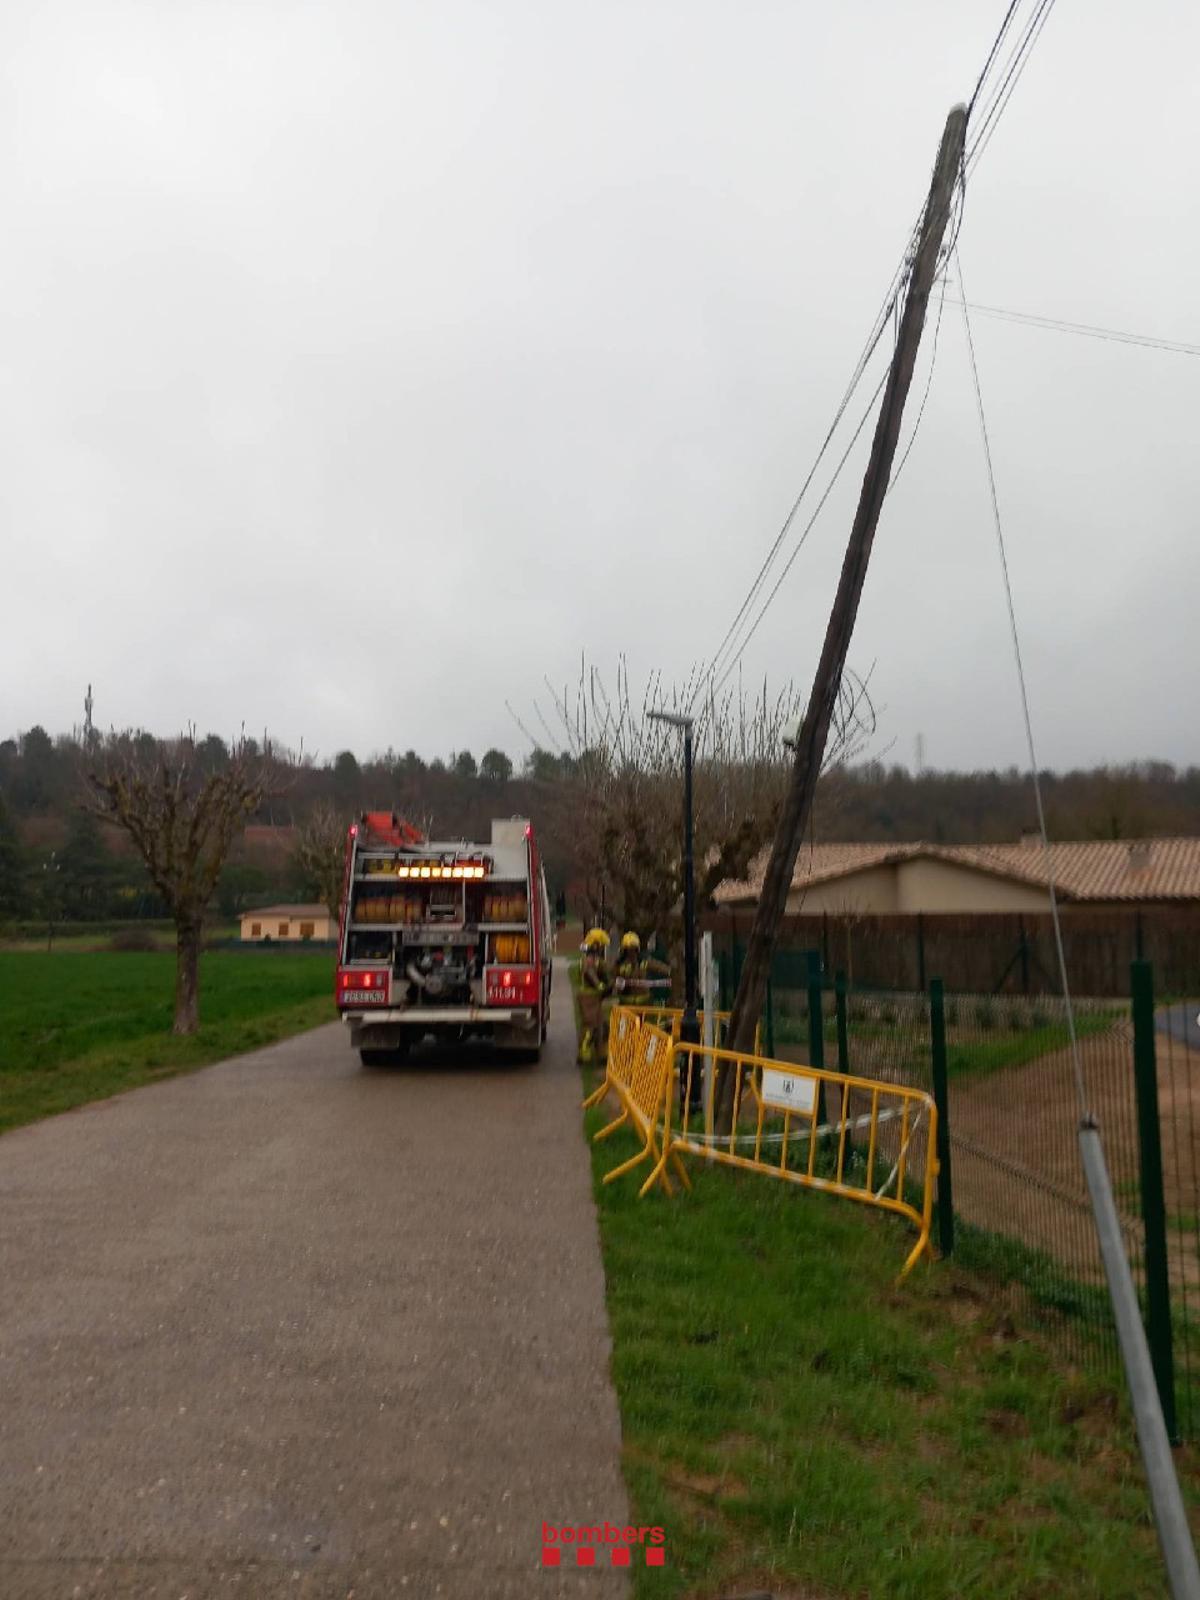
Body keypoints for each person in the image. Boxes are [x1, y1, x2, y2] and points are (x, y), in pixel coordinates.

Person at [577, 927, 611, 1064]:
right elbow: (590, 973)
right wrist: (600, 985)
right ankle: (584, 1054)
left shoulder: (595, 960)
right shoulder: (589, 960)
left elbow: (604, 971)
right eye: (601, 945)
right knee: (590, 1027)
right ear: (596, 945)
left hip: (594, 997)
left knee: (601, 1025)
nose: (602, 948)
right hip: (588, 997)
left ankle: (601, 1053)